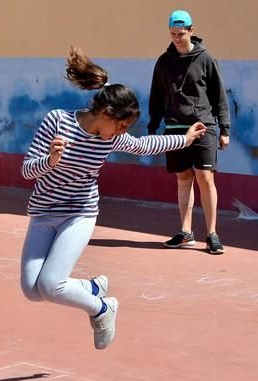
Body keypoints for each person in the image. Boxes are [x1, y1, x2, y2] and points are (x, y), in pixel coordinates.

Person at [20, 47, 206, 349]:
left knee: (51, 285)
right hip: (43, 212)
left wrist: (184, 139)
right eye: (121, 125)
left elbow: (145, 145)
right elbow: (27, 170)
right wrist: (50, 161)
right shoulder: (57, 121)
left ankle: (103, 308)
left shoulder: (114, 137)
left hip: (79, 213)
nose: (122, 132)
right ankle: (92, 287)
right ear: (106, 114)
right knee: (32, 290)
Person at [148, 10, 230, 254]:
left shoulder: (207, 58)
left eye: (181, 34)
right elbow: (157, 96)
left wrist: (224, 128)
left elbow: (219, 96)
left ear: (191, 31)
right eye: (173, 34)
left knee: (205, 179)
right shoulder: (164, 61)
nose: (176, 38)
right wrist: (153, 127)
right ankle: (186, 233)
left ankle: (212, 234)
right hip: (175, 129)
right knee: (183, 179)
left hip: (204, 127)